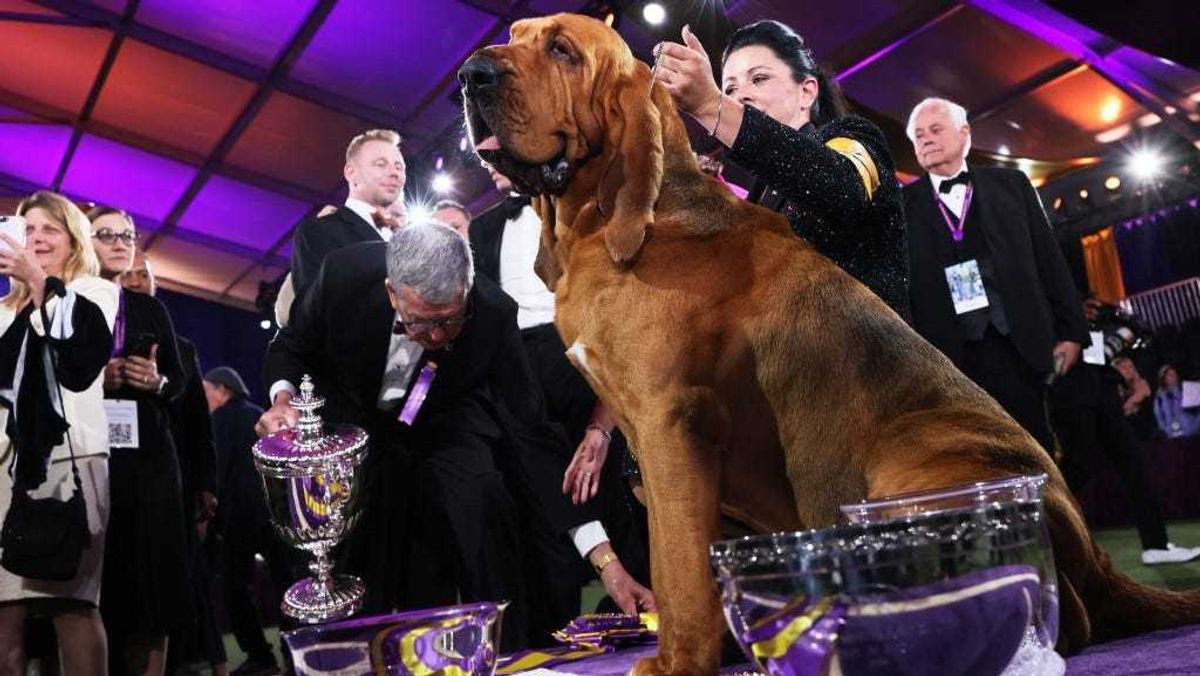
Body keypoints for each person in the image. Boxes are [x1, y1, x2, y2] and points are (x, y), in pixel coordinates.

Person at [260, 224, 653, 649]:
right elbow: (292, 347)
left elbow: (535, 437)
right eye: (421, 323)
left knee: (481, 497)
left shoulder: (493, 314)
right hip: (351, 428)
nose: (435, 338)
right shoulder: (344, 275)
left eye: (450, 322)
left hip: (442, 422)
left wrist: (607, 563)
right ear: (393, 292)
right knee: (356, 558)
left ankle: (500, 648)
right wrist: (282, 400)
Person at [470, 163, 652, 602]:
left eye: (500, 149)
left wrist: (601, 423)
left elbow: (619, 314)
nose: (489, 162)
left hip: (585, 350)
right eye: (484, 155)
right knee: (542, 488)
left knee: (613, 486)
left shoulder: (591, 208)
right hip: (515, 359)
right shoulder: (483, 228)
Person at [653, 20, 909, 318]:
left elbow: (842, 186)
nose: (740, 95)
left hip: (871, 356)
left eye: (759, 78)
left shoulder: (853, 136)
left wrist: (712, 105)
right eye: (730, 88)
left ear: (807, 91)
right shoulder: (756, 195)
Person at [902, 97, 1087, 452]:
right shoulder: (899, 206)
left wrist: (1072, 330)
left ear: (964, 134)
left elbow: (1048, 260)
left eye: (935, 130)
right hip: (950, 356)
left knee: (1037, 448)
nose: (925, 139)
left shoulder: (1012, 185)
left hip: (1019, 341)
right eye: (918, 135)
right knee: (979, 455)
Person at [0, 191, 117, 675]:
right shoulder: (3, 311)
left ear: (73, 241)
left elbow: (79, 361)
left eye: (50, 229)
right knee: (4, 611)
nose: (37, 238)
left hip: (69, 466)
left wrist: (36, 279)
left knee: (74, 606)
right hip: (3, 471)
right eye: (27, 230)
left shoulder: (94, 293)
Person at [88, 206, 192, 676]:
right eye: (105, 234)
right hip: (89, 461)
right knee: (95, 587)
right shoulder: (68, 300)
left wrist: (157, 382)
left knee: (154, 587)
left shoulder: (150, 307)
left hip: (149, 461)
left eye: (126, 234)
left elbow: (182, 383)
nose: (119, 242)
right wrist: (95, 377)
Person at [122, 251, 227, 676]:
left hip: (170, 483)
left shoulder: (181, 348)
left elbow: (200, 425)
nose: (133, 281)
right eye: (127, 275)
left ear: (154, 284)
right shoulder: (91, 332)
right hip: (109, 477)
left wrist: (205, 485)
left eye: (141, 275)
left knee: (173, 585)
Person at [204, 366, 290, 676]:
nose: (204, 399)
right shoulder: (258, 414)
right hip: (277, 513)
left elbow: (218, 472)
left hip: (240, 516)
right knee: (286, 584)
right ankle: (293, 651)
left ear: (223, 390)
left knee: (233, 588)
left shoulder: (219, 421)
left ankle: (260, 656)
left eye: (206, 391)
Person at [289, 129, 408, 303]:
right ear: (351, 173)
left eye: (399, 167)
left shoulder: (409, 240)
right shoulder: (320, 231)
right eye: (381, 164)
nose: (395, 173)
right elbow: (314, 310)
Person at [1154, 364, 1200, 438]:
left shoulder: (1186, 390)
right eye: (1170, 375)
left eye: (1174, 374)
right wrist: (1166, 431)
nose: (1174, 376)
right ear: (1163, 379)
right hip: (1172, 436)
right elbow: (1159, 418)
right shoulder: (1159, 398)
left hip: (1191, 433)